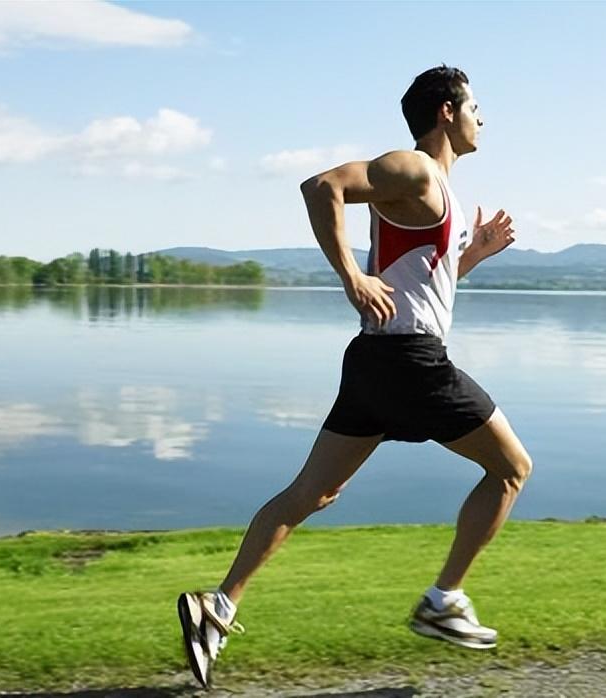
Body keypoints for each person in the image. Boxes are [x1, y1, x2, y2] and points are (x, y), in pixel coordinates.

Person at [177, 65, 533, 689]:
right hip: (411, 363)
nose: (483, 119)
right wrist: (351, 275)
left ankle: (218, 605)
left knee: (312, 494)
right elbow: (322, 187)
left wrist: (472, 253)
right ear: (446, 111)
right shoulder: (415, 168)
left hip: (376, 361)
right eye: (475, 106)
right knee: (511, 469)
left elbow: (422, 286)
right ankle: (443, 601)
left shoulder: (438, 194)